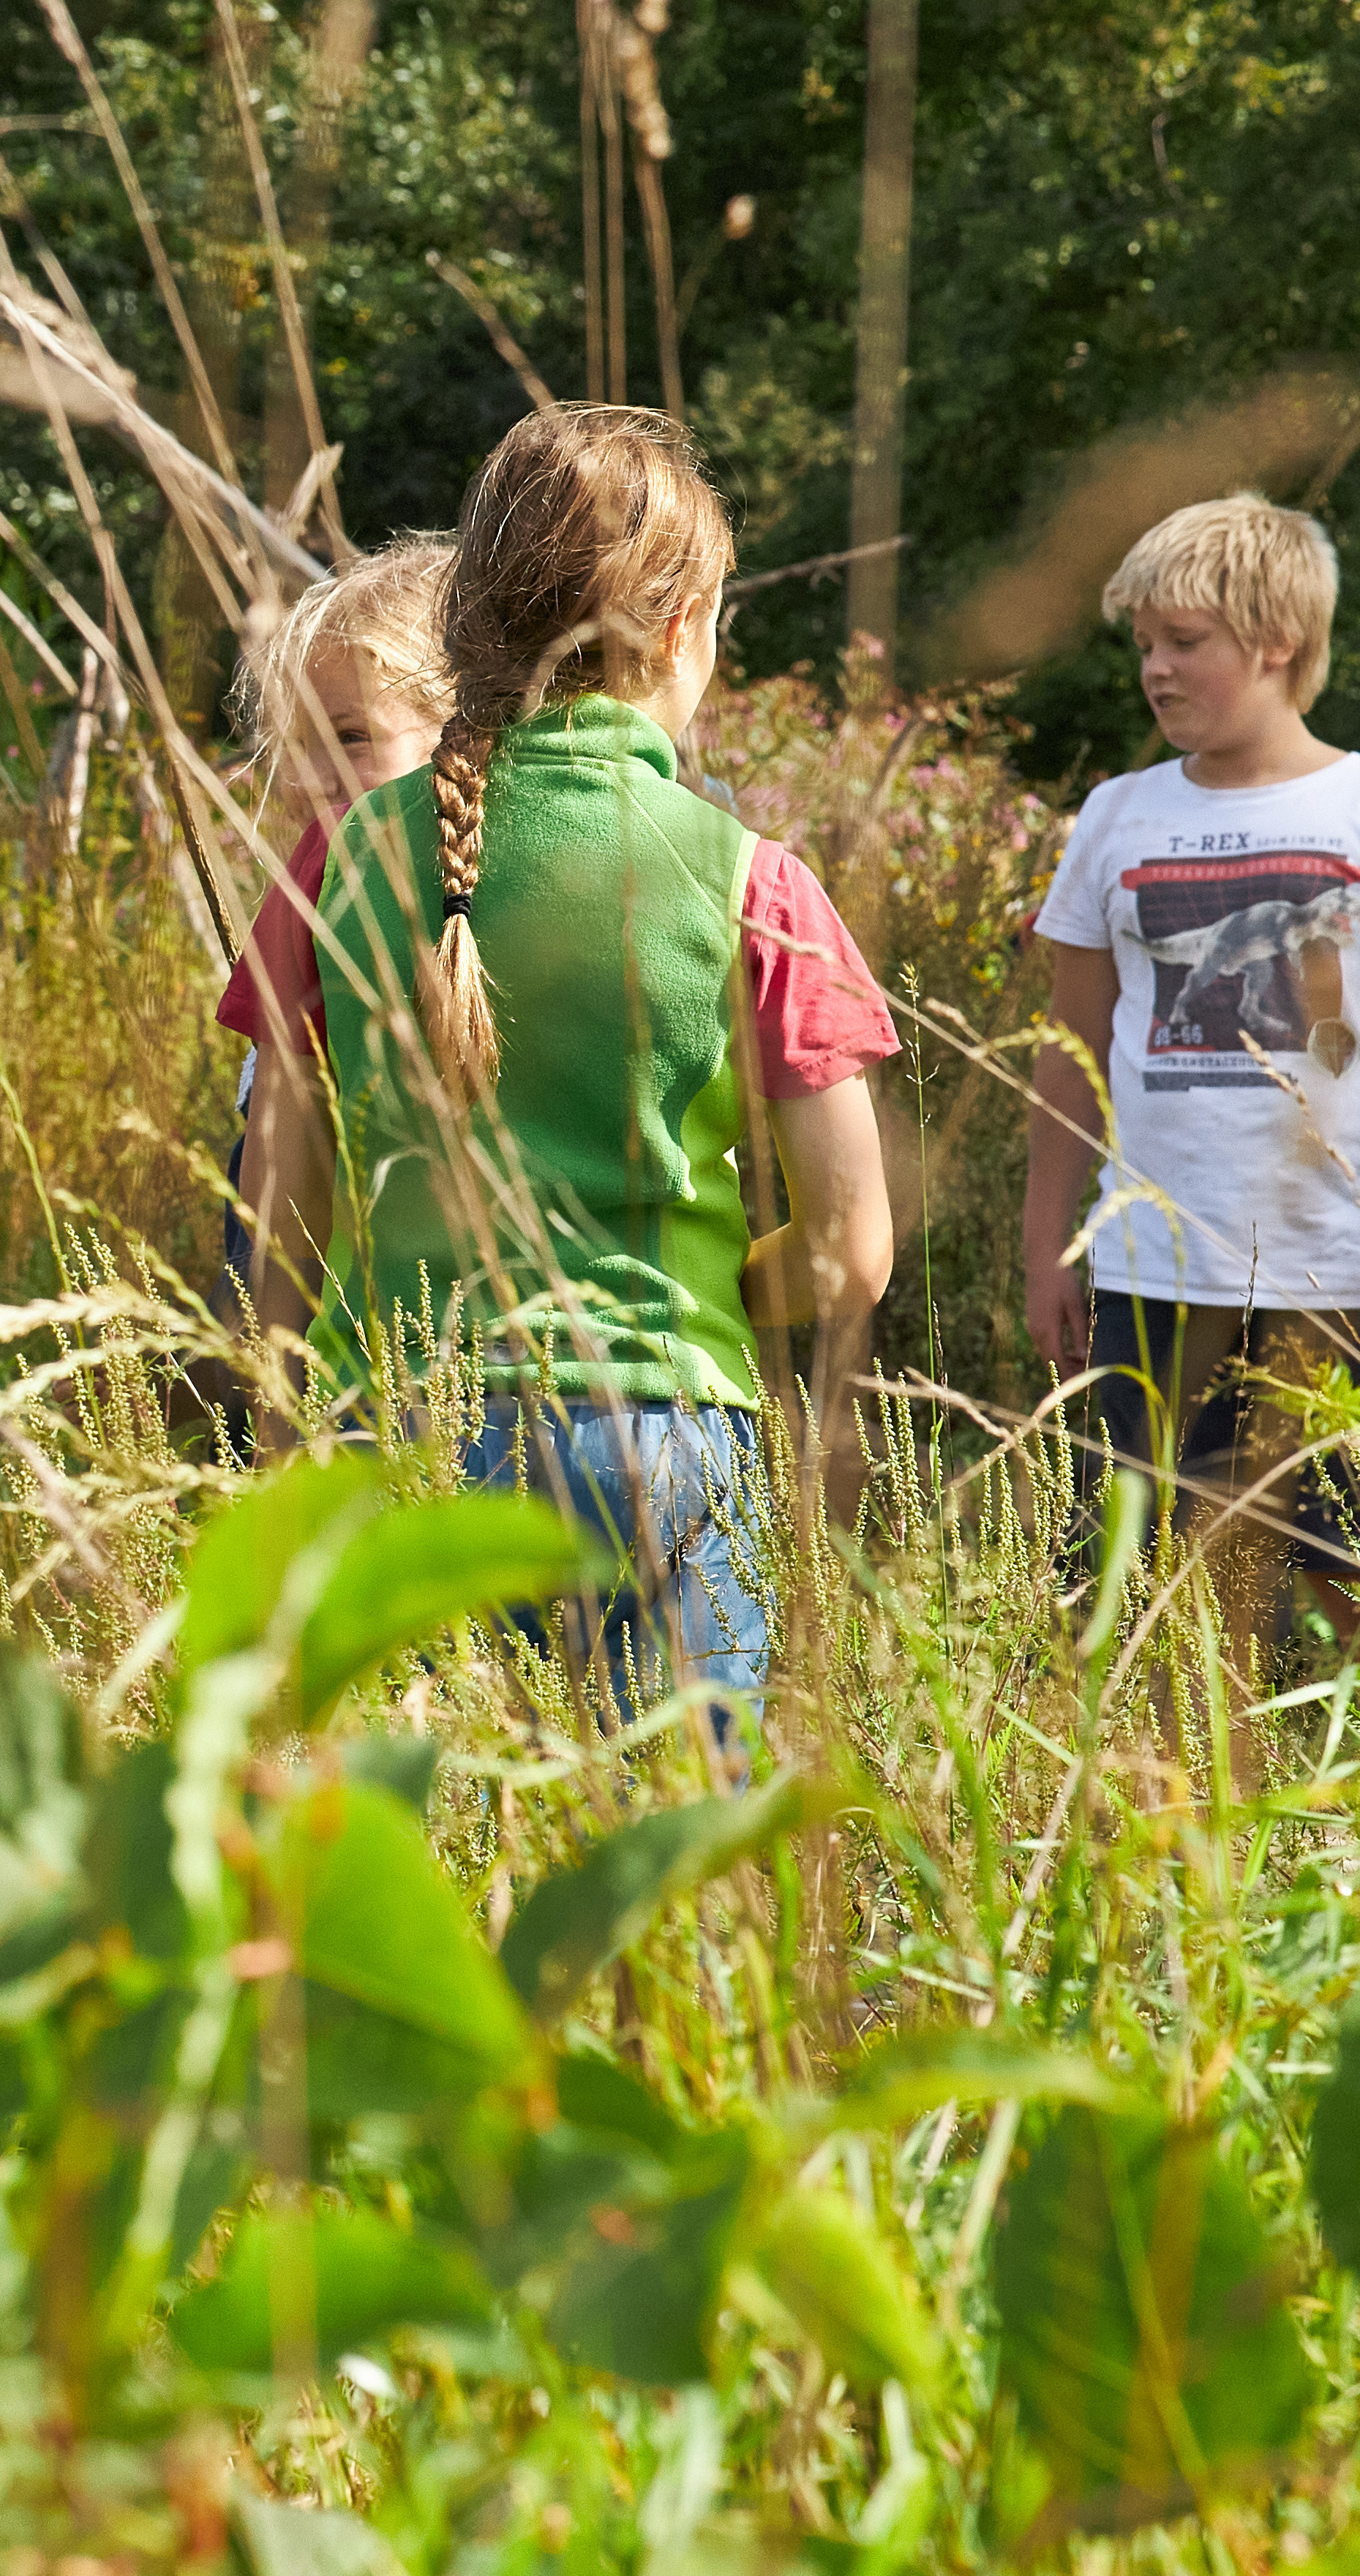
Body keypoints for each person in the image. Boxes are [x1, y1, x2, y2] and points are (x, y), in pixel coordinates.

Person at [242, 408, 901, 1761]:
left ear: (468, 624)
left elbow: (280, 1216)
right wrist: (716, 1292)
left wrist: (275, 1439)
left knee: (428, 1861)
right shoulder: (757, 885)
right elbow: (854, 1254)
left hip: (403, 1432)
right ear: (684, 631)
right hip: (658, 1442)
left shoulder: (339, 867)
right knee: (676, 1883)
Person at [1020, 492, 1360, 1649]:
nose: (1156, 673)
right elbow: (1068, 1052)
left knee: (1355, 1569)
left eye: (1186, 643)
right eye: (1144, 648)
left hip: (1337, 1270)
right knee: (1122, 1578)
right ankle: (1157, 1805)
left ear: (1277, 640)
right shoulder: (1115, 819)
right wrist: (1044, 1245)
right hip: (1149, 1268)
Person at [217, 537, 460, 1323]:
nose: (301, 777)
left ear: (460, 728)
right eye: (297, 745)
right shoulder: (321, 876)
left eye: (351, 737)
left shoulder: (350, 870)